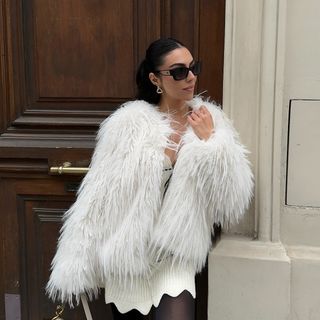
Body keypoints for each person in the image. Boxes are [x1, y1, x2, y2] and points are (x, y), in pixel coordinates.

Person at [46, 38, 253, 320]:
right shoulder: (128, 125)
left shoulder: (209, 121)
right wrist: (75, 262)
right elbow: (99, 197)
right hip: (129, 255)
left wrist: (211, 144)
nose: (190, 77)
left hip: (174, 256)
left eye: (193, 68)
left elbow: (232, 198)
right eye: (178, 71)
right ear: (155, 78)